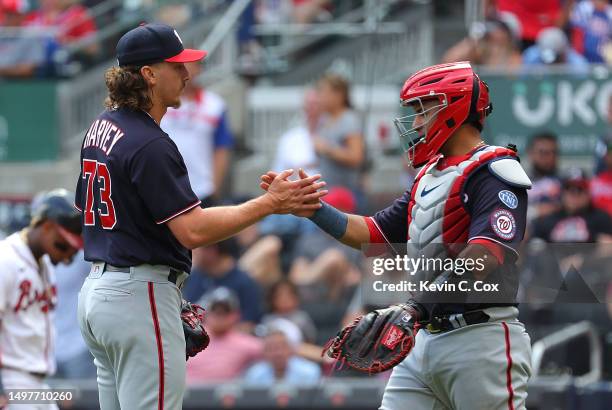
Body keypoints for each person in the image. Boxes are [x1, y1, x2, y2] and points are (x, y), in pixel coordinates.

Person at [74, 23, 325, 410]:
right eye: (177, 66)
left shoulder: (100, 128)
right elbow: (192, 230)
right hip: (137, 295)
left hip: (99, 294)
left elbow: (90, 211)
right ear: (149, 74)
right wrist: (269, 204)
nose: (187, 74)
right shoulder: (149, 143)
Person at [261, 62, 532, 409]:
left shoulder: (495, 170)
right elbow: (374, 233)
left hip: (480, 339)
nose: (417, 122)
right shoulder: (428, 176)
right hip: (424, 339)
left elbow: (484, 256)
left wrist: (417, 306)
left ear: (455, 108)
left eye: (424, 110)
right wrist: (314, 209)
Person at [0, 189, 83, 410]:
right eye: (64, 245)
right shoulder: (5, 260)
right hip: (11, 382)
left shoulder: (43, 264)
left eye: (75, 251)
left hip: (36, 383)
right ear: (46, 227)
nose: (69, 257)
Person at [161, 61, 234, 207]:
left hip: (202, 190)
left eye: (192, 65)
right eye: (180, 66)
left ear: (200, 69)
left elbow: (222, 148)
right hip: (164, 188)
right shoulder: (159, 101)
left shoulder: (214, 105)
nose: (186, 71)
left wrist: (214, 189)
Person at [186, 287, 262, 384]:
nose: (220, 316)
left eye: (225, 311)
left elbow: (273, 351)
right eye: (216, 311)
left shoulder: (245, 343)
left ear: (236, 315)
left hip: (226, 395)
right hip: (188, 394)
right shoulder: (189, 335)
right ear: (205, 313)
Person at [181, 237, 263, 327]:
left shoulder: (245, 283)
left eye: (197, 248)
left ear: (212, 250)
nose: (193, 252)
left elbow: (248, 325)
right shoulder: (194, 277)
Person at [313, 73, 365, 194]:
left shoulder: (349, 119)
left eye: (324, 92)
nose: (320, 97)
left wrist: (326, 148)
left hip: (345, 194)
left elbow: (356, 157)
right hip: (329, 192)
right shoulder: (326, 119)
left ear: (339, 94)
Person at [531, 169, 612, 243]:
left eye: (580, 189)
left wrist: (584, 258)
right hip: (556, 258)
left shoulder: (601, 219)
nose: (575, 194)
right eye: (569, 189)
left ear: (588, 193)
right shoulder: (549, 219)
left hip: (590, 258)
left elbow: (607, 248)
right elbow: (535, 248)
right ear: (562, 193)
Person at [244, 318, 321, 386]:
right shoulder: (255, 374)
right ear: (264, 352)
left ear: (292, 349)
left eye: (282, 347)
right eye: (271, 348)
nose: (278, 353)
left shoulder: (309, 371)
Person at [526, 132, 562, 222]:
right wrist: (535, 211)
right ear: (530, 153)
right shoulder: (519, 182)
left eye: (553, 152)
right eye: (543, 152)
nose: (549, 157)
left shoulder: (565, 183)